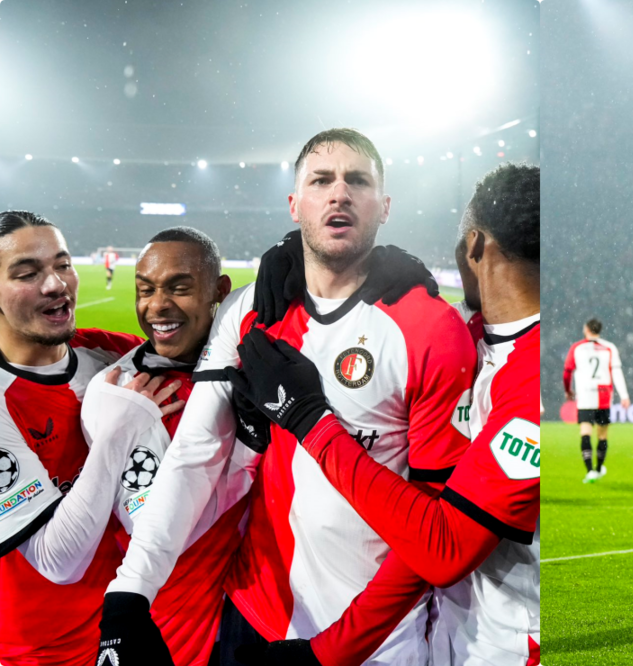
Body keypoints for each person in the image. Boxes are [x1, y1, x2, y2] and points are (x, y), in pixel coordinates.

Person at [95, 129, 475, 666]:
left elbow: (436, 527)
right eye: (321, 180)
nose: (339, 193)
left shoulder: (430, 327)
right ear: (295, 204)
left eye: (357, 181)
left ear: (384, 207)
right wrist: (129, 594)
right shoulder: (251, 311)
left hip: (377, 642)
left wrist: (338, 648)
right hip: (255, 615)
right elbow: (194, 457)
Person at [224, 163, 540, 666]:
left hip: (508, 647)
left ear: (474, 247)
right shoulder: (472, 332)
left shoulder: (531, 387)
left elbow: (444, 548)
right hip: (446, 636)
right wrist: (292, 254)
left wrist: (309, 420)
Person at [81, 227, 259, 666]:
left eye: (179, 288)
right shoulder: (122, 390)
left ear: (219, 292)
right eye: (145, 290)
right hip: (165, 630)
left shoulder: (253, 368)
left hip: (252, 616)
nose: (157, 305)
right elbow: (156, 523)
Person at [0, 211, 143, 665]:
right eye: (27, 273)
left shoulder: (109, 353)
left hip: (126, 628)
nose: (55, 284)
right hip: (36, 653)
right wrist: (119, 427)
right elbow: (59, 563)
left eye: (62, 264)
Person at [563, 319, 630, 482]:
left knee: (585, 432)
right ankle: (599, 468)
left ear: (586, 329)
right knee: (602, 435)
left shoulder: (577, 347)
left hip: (585, 395)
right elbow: (617, 373)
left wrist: (568, 390)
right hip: (604, 395)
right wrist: (624, 395)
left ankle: (590, 471)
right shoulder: (609, 347)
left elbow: (567, 372)